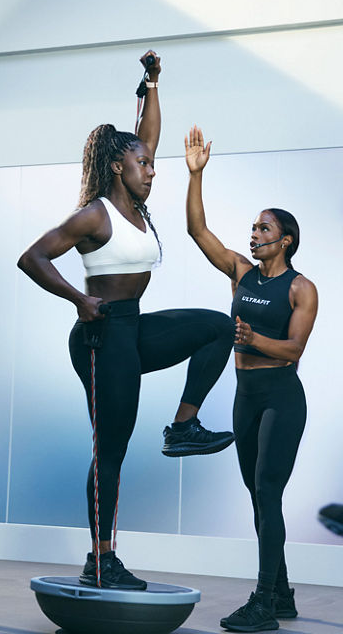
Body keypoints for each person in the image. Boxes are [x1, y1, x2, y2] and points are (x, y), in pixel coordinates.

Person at [17, 53, 235, 590]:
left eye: (153, 163)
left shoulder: (137, 201)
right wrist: (77, 299)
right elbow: (33, 258)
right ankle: (101, 558)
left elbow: (148, 133)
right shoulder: (95, 213)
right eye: (145, 164)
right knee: (110, 448)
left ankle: (183, 426)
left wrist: (154, 83)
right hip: (101, 334)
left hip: (133, 328)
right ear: (120, 166)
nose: (153, 168)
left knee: (215, 326)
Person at [185, 126, 318, 632]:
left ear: (285, 240)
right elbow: (199, 232)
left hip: (282, 398)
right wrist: (195, 175)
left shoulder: (301, 288)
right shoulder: (240, 272)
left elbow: (295, 350)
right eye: (253, 228)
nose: (254, 235)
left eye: (263, 230)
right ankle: (281, 593)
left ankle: (264, 602)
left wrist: (252, 339)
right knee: (257, 495)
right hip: (245, 396)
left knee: (267, 490)